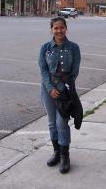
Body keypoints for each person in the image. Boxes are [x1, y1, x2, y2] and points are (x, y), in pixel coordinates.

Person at [38, 16, 81, 174]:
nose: (59, 31)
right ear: (51, 30)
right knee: (51, 122)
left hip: (65, 91)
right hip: (47, 90)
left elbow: (74, 71)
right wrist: (50, 88)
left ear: (66, 28)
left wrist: (61, 88)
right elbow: (43, 70)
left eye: (61, 27)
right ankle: (56, 152)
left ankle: (65, 156)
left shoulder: (73, 48)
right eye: (56, 28)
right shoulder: (45, 48)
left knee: (62, 122)